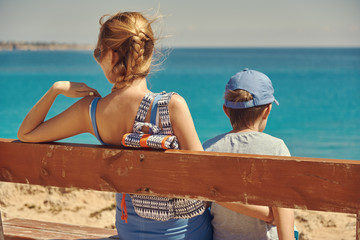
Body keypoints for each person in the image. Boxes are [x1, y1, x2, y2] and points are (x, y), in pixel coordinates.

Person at [18, 11, 212, 240]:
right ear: (148, 53)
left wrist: (57, 89)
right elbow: (205, 180)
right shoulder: (171, 106)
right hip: (184, 234)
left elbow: (26, 133)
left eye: (98, 53)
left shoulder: (90, 111)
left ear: (111, 54)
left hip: (128, 232)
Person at [203, 68, 295, 240]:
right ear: (267, 110)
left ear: (226, 110)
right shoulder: (276, 148)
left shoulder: (208, 148)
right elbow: (284, 210)